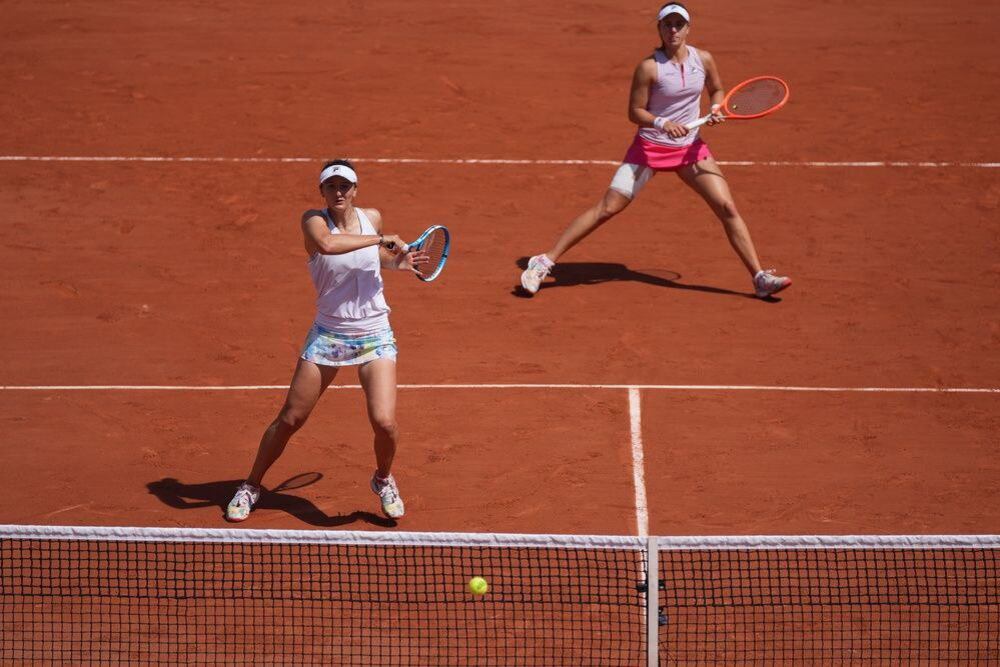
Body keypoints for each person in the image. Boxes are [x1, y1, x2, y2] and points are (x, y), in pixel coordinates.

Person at [520, 2, 791, 299]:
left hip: (690, 149)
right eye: (667, 25)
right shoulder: (649, 67)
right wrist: (663, 123)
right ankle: (543, 262)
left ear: (688, 28)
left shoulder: (704, 59)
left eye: (679, 24)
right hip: (649, 149)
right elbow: (634, 112)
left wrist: (715, 107)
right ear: (659, 29)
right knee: (608, 208)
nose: (673, 30)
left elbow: (716, 89)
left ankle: (759, 277)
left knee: (727, 208)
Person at [225, 160, 428, 522]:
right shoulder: (312, 221)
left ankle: (383, 479)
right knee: (290, 418)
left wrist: (398, 262)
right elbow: (328, 245)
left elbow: (377, 259)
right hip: (329, 335)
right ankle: (252, 484)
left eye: (345, 186)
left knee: (385, 422)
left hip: (375, 334)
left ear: (355, 190)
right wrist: (380, 239)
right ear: (322, 191)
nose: (338, 192)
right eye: (331, 186)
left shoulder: (372, 217)